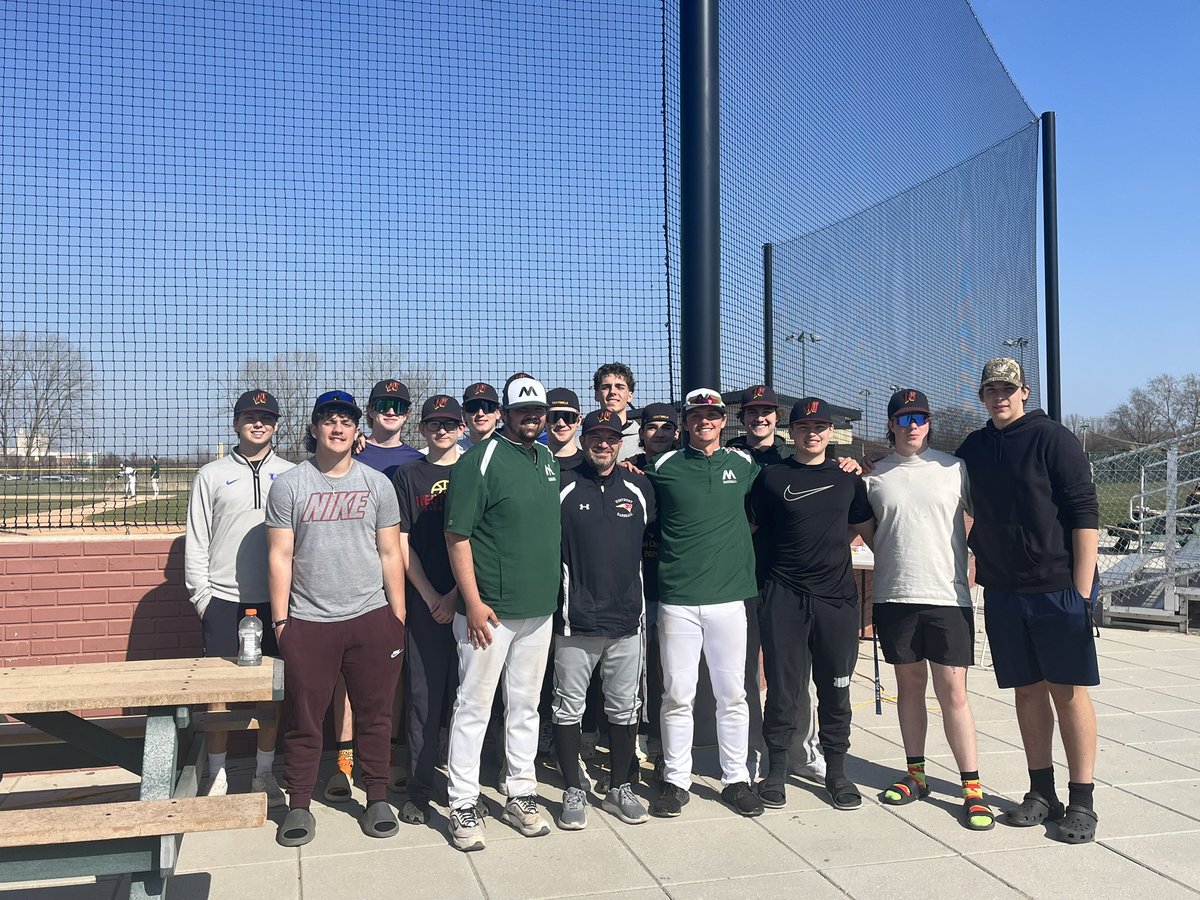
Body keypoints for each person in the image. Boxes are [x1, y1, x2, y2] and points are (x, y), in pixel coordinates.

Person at [956, 358, 1101, 844]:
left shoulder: (1052, 438)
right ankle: (1043, 792)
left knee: (1069, 691)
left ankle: (1082, 800)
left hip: (1057, 587)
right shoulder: (975, 447)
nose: (999, 396)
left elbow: (1084, 511)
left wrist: (1081, 593)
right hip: (1003, 589)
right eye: (990, 389)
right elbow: (936, 480)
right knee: (1027, 691)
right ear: (981, 396)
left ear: (1024, 392)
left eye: (1008, 388)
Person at [266, 390, 407, 848]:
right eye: (329, 420)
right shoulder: (291, 484)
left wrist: (397, 615)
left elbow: (390, 551)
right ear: (313, 429)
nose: (338, 428)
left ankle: (378, 797)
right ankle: (299, 804)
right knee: (305, 720)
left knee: (376, 715)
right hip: (308, 622)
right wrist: (282, 622)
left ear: (356, 429)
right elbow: (280, 555)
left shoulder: (376, 484)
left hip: (371, 617)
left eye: (346, 420)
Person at [861, 388, 994, 831]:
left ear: (929, 423)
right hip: (894, 596)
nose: (912, 426)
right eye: (903, 419)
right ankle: (915, 774)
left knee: (953, 693)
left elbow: (991, 517)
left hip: (948, 596)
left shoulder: (954, 468)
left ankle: (971, 788)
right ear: (890, 424)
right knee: (910, 687)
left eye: (919, 418)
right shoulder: (874, 475)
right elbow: (862, 529)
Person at [443, 373, 561, 851]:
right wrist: (471, 602)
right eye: (522, 411)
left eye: (539, 412)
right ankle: (463, 802)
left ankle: (520, 791)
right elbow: (457, 536)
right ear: (506, 414)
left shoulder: (548, 457)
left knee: (526, 706)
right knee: (473, 707)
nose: (531, 418)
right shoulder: (479, 460)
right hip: (488, 614)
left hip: (538, 610)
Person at [643, 387, 763, 819]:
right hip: (676, 599)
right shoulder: (661, 467)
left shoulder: (744, 463)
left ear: (723, 420)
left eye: (712, 414)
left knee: (733, 694)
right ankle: (676, 780)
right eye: (697, 415)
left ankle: (737, 779)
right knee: (678, 694)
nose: (705, 421)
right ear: (686, 422)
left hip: (730, 598)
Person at [749, 397, 874, 811]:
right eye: (804, 427)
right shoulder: (770, 478)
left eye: (820, 426)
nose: (813, 433)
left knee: (835, 690)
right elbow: (748, 531)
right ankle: (776, 771)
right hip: (783, 598)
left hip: (836, 601)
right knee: (784, 691)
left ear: (830, 432)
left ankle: (837, 772)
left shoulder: (848, 480)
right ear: (792, 432)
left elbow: (871, 533)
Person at [184, 389, 294, 807]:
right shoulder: (211, 474)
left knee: (271, 689)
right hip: (223, 599)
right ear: (235, 422)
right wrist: (203, 598)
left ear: (277, 424)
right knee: (219, 691)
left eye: (266, 416)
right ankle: (218, 774)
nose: (258, 422)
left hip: (276, 601)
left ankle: (264, 773)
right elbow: (197, 540)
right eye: (250, 415)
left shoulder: (291, 473)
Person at [553, 409, 656, 830]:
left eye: (611, 437)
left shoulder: (641, 486)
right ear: (584, 437)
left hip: (627, 621)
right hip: (575, 620)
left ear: (620, 442)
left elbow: (657, 533)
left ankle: (618, 787)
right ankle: (573, 787)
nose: (603, 443)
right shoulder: (562, 483)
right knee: (567, 709)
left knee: (624, 707)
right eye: (595, 436)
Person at [727, 384, 824, 785]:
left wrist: (855, 466)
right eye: (752, 412)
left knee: (794, 673)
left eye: (766, 411)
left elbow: (827, 475)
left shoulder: (792, 456)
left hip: (784, 577)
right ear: (742, 417)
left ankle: (801, 750)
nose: (759, 418)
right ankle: (751, 752)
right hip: (736, 577)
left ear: (777, 417)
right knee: (744, 674)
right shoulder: (727, 452)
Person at [393, 394, 466, 826]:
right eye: (433, 424)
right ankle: (420, 789)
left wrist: (456, 596)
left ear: (461, 428)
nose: (441, 430)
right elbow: (401, 541)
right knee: (423, 697)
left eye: (448, 423)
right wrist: (429, 596)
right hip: (425, 603)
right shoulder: (408, 474)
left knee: (466, 697)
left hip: (469, 601)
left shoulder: (475, 469)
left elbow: (484, 539)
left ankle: (461, 785)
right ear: (421, 429)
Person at [353, 378, 422, 794]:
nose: (391, 411)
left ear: (408, 414)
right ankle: (347, 758)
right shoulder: (353, 453)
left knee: (396, 676)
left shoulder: (419, 457)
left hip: (403, 582)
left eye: (398, 405)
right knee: (351, 678)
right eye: (383, 404)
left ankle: (390, 755)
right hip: (356, 582)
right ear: (370, 410)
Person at [593, 363, 642, 461]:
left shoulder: (644, 441)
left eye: (619, 387)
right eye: (606, 387)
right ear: (597, 395)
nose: (612, 392)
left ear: (630, 396)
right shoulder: (581, 443)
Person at [546, 388, 585, 471]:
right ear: (544, 419)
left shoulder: (592, 464)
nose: (561, 424)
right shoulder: (530, 462)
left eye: (568, 417)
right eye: (554, 417)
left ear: (578, 421)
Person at [459, 382, 502, 452]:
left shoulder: (511, 451)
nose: (480, 413)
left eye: (487, 407)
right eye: (473, 407)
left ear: (498, 413)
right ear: (464, 414)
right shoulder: (453, 452)